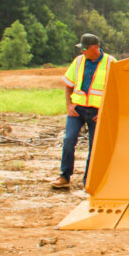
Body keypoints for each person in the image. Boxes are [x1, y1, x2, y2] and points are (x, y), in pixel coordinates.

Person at [51, 33, 115, 190]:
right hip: (77, 110)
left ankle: (89, 181)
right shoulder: (79, 61)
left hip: (97, 113)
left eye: (85, 49)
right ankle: (64, 176)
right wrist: (69, 105)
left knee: (94, 147)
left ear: (95, 47)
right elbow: (69, 84)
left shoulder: (110, 63)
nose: (82, 52)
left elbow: (117, 90)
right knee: (68, 140)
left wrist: (105, 111)